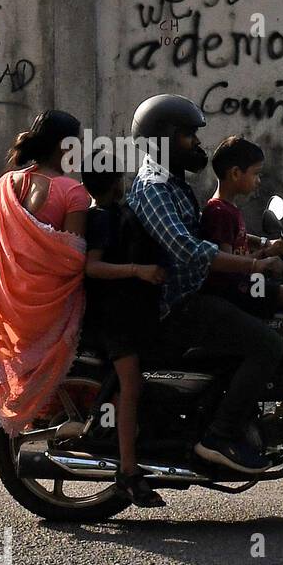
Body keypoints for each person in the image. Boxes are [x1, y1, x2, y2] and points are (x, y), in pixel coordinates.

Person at [125, 94, 283, 474]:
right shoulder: (154, 188)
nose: (197, 144)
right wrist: (253, 266)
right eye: (188, 137)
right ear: (163, 139)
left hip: (195, 294)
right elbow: (189, 249)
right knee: (268, 344)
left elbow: (202, 235)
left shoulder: (173, 181)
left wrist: (263, 246)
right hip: (177, 307)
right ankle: (219, 436)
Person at [0, 110, 90, 434]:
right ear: (64, 146)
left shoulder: (5, 185)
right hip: (53, 309)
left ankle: (2, 401)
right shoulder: (73, 192)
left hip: (8, 310)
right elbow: (73, 260)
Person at [201, 136, 283, 395]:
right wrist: (265, 258)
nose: (259, 181)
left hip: (242, 286)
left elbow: (239, 241)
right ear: (236, 173)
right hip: (234, 291)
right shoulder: (219, 212)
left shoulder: (227, 209)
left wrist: (266, 244)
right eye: (256, 174)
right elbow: (226, 263)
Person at [81, 170, 168, 508]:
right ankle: (128, 472)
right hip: (113, 318)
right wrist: (137, 270)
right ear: (114, 182)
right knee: (132, 385)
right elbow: (92, 267)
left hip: (130, 313)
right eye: (119, 177)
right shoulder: (100, 218)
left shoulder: (118, 213)